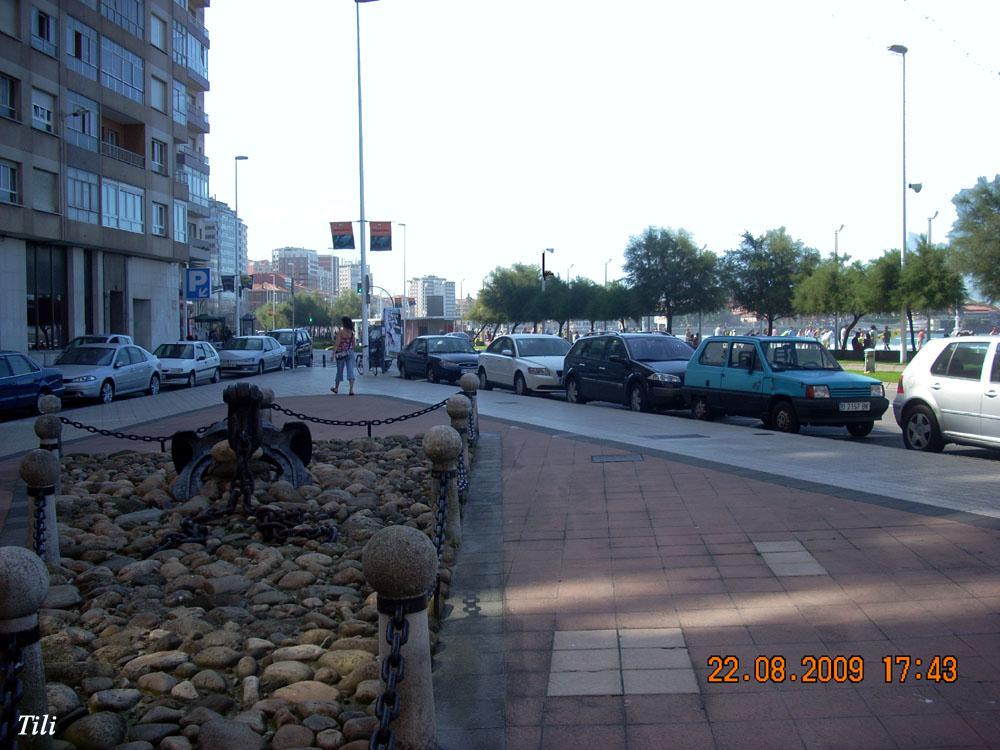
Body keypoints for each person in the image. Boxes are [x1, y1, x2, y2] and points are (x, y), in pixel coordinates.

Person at [330, 317, 357, 395]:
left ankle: (336, 388)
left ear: (343, 323)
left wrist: (333, 354)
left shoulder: (340, 333)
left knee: (339, 371)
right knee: (350, 370)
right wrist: (350, 350)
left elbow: (337, 343)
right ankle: (351, 390)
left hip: (341, 353)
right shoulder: (351, 333)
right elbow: (354, 345)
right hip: (350, 353)